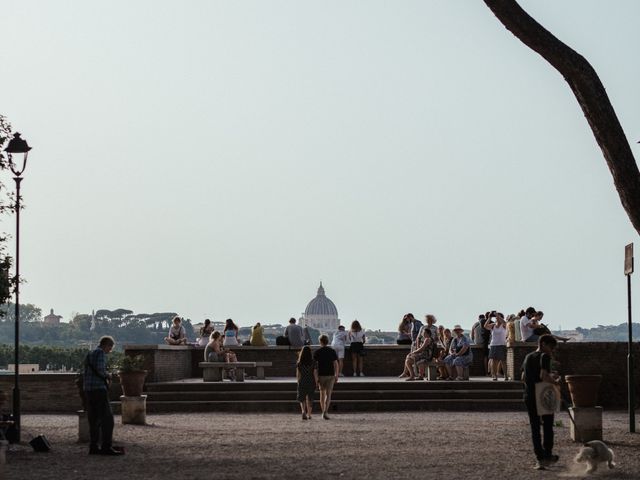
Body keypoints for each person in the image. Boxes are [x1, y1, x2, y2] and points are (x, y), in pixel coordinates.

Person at [521, 334, 560, 470]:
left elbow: (523, 376)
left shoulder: (528, 357)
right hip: (543, 394)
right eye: (551, 347)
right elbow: (543, 376)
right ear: (543, 344)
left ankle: (540, 457)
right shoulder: (545, 356)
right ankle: (547, 454)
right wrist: (555, 382)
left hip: (529, 395)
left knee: (535, 427)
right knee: (548, 425)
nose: (552, 350)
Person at [83, 336, 123, 455]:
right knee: (107, 420)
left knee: (93, 419)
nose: (109, 351)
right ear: (107, 345)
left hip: (88, 390)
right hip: (98, 389)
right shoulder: (100, 353)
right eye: (110, 348)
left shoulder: (89, 354)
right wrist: (108, 376)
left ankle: (93, 446)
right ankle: (106, 446)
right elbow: (100, 371)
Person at [313, 334, 339, 420]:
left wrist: (316, 378)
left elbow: (315, 367)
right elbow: (336, 364)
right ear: (327, 341)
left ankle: (322, 411)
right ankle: (326, 411)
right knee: (328, 394)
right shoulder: (332, 351)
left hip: (321, 375)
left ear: (320, 342)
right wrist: (337, 374)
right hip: (330, 375)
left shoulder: (317, 352)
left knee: (322, 394)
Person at [485, 312, 507, 380]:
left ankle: (506, 375)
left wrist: (498, 316)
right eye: (496, 317)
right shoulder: (493, 325)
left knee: (503, 361)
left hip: (502, 344)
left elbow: (506, 323)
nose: (496, 318)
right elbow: (485, 326)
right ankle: (494, 375)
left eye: (498, 317)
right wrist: (489, 318)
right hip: (493, 345)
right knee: (494, 361)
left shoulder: (503, 325)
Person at [296, 346, 316, 420]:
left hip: (302, 381)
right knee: (310, 398)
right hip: (311, 381)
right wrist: (316, 381)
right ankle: (309, 414)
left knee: (302, 398)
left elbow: (298, 374)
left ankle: (303, 411)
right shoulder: (313, 362)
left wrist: (298, 381)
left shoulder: (299, 362)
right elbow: (315, 373)